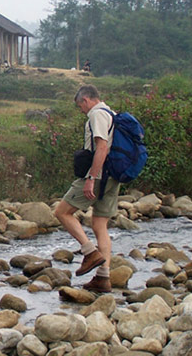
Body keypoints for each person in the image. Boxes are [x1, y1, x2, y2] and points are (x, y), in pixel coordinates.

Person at [53, 85, 119, 293]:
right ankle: (103, 278)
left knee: (62, 212)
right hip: (113, 177)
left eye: (80, 105)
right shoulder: (112, 113)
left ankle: (89, 252)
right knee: (100, 225)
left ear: (86, 100)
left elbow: (101, 147)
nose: (81, 110)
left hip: (98, 175)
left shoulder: (97, 114)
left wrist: (91, 178)